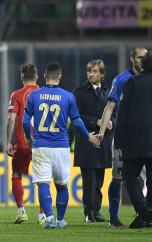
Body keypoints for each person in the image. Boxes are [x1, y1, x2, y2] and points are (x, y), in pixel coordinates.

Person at [23, 62, 100, 229]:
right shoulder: (68, 96)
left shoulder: (34, 95)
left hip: (41, 145)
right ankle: (60, 220)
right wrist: (88, 137)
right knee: (62, 185)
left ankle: (49, 219)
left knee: (43, 183)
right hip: (61, 146)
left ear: (44, 76)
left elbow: (25, 120)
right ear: (60, 76)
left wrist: (28, 138)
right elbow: (77, 122)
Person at [97, 47, 147, 227]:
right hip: (125, 137)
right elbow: (110, 107)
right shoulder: (121, 80)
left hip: (145, 137)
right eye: (140, 57)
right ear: (132, 59)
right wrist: (102, 132)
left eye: (145, 57)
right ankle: (114, 218)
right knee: (118, 178)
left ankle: (143, 214)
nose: (142, 60)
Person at [73, 60, 116, 223]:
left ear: (102, 74)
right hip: (87, 139)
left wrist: (111, 122)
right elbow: (75, 116)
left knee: (99, 179)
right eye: (89, 71)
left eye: (95, 71)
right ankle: (89, 212)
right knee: (89, 180)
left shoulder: (107, 92)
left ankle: (96, 211)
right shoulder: (79, 92)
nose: (91, 74)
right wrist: (96, 122)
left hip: (103, 140)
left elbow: (115, 113)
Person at [114, 50, 152, 229]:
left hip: (135, 139)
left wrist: (119, 141)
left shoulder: (132, 82)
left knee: (129, 174)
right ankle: (148, 216)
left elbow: (122, 114)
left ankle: (143, 211)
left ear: (142, 65)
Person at [6, 63, 46, 224]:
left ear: (22, 78)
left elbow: (11, 119)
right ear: (37, 77)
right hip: (42, 142)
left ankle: (21, 212)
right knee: (43, 179)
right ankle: (43, 215)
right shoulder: (45, 94)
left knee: (17, 175)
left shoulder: (17, 94)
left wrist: (8, 141)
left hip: (22, 142)